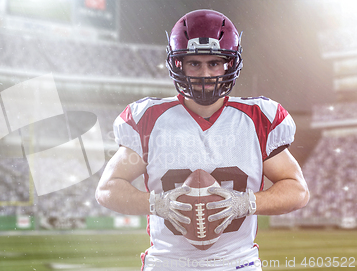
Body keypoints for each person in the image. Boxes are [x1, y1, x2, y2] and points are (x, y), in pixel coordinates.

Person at [95, 9, 309, 271]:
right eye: (194, 63)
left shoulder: (258, 118)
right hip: (167, 263)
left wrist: (247, 203)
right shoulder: (147, 119)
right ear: (178, 64)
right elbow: (107, 189)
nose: (205, 74)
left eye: (214, 63)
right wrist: (156, 204)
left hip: (237, 262)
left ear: (229, 64)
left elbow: (297, 190)